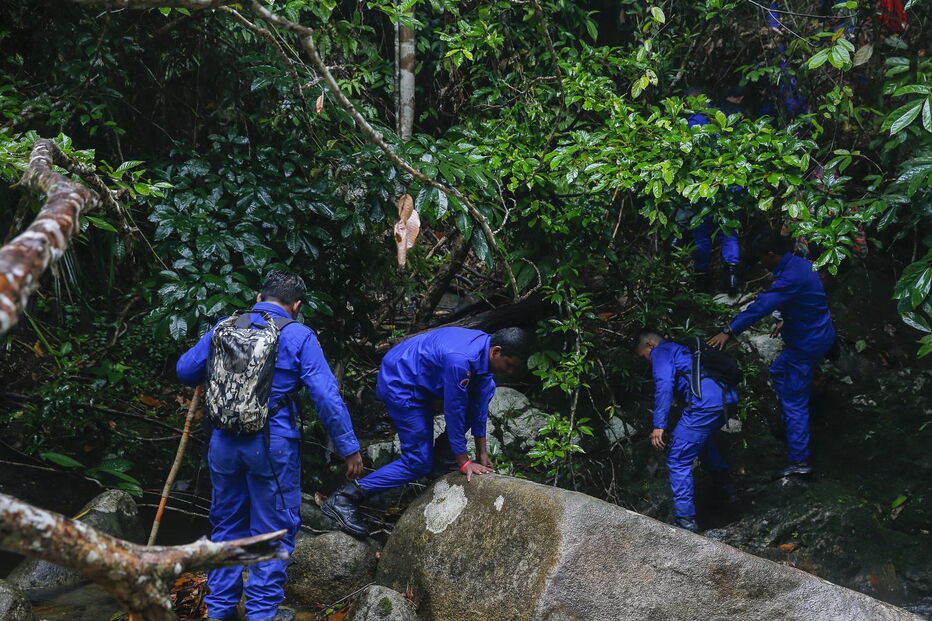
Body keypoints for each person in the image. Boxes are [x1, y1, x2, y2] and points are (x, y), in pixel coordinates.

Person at [177, 271, 363, 621]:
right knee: (272, 529)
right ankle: (262, 614)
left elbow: (185, 369)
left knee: (228, 527)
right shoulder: (297, 334)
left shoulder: (225, 325)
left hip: (222, 442)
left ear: (259, 297)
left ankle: (219, 611)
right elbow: (326, 396)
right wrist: (348, 447)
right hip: (270, 444)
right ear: (296, 305)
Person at [322, 326, 531, 536]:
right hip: (401, 381)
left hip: (425, 378)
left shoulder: (483, 358)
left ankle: (442, 460)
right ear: (496, 352)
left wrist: (482, 454)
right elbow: (454, 410)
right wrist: (464, 461)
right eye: (509, 365)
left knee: (486, 390)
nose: (509, 372)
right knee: (418, 462)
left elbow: (478, 407)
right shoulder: (461, 360)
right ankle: (345, 497)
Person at [708, 231, 836, 478]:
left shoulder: (789, 277)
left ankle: (799, 460)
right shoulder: (801, 264)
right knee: (778, 370)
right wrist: (786, 319)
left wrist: (728, 331)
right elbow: (809, 297)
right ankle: (800, 408)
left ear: (771, 255)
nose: (760, 262)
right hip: (819, 332)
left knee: (793, 400)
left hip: (806, 344)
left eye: (761, 258)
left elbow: (761, 307)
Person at [634, 329, 737, 533]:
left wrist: (659, 425)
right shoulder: (682, 350)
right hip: (727, 399)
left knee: (678, 459)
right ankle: (727, 492)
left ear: (650, 345)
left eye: (643, 356)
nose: (647, 360)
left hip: (704, 404)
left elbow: (664, 387)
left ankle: (685, 521)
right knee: (701, 441)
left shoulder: (661, 353)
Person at [681, 99, 742, 294]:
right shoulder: (724, 118)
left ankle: (702, 281)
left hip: (703, 186)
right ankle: (732, 278)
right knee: (728, 232)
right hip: (728, 184)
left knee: (701, 233)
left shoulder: (695, 121)